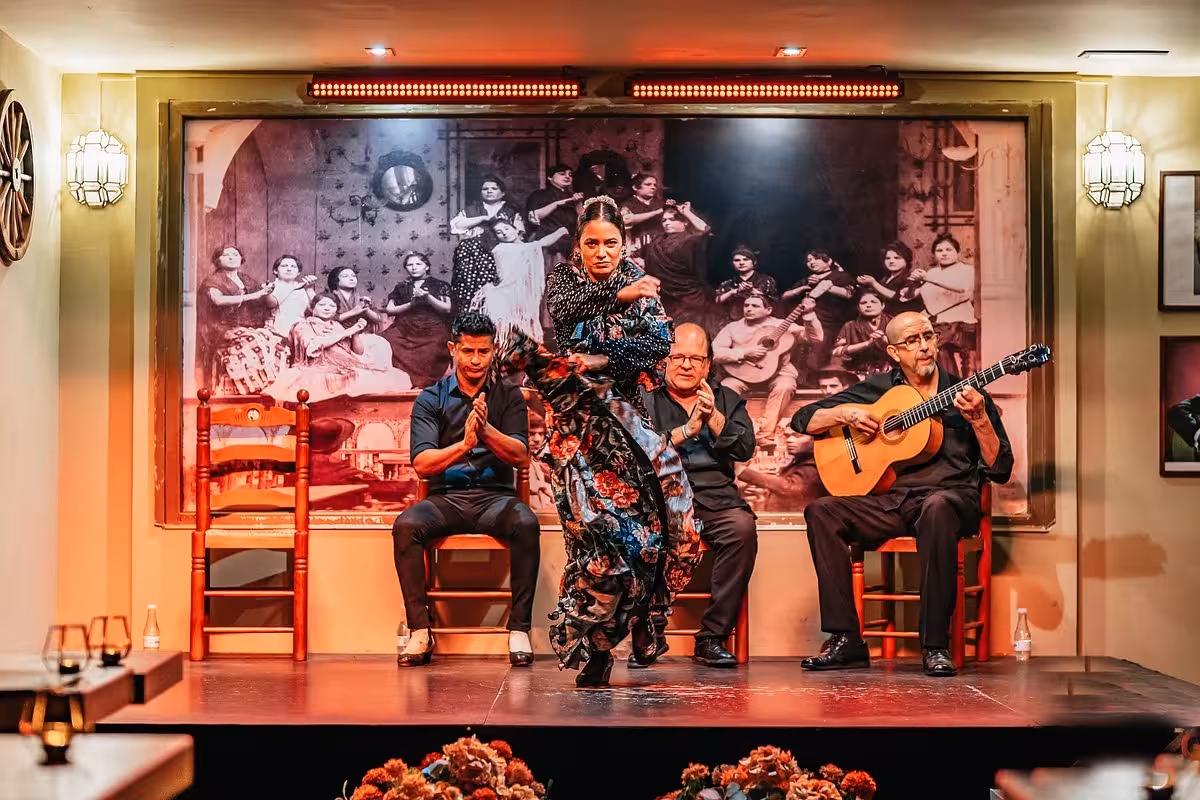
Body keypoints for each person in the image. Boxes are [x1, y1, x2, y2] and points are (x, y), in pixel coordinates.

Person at [498, 194, 702, 688]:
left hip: (631, 430)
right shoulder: (566, 281)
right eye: (592, 243)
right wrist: (617, 304)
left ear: (624, 243)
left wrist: (596, 358)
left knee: (663, 536)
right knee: (600, 544)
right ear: (579, 245)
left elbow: (656, 344)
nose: (603, 252)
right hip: (578, 432)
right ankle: (594, 650)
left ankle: (644, 625)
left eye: (611, 243)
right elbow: (566, 317)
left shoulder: (642, 283)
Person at [791, 311, 1012, 677]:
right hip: (894, 502)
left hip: (951, 498)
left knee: (938, 507)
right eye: (911, 341)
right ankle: (847, 639)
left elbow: (1001, 468)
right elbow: (804, 418)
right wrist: (845, 413)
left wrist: (980, 421)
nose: (923, 347)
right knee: (821, 511)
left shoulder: (968, 393)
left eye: (928, 336)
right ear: (894, 352)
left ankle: (935, 645)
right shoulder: (879, 389)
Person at [391, 312, 540, 669]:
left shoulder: (509, 397)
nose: (475, 360)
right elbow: (423, 464)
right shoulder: (431, 398)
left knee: (527, 524)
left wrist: (487, 431)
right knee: (406, 526)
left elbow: (521, 456)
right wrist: (464, 444)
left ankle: (519, 630)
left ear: (495, 351)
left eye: (483, 351)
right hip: (446, 500)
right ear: (452, 349)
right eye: (468, 351)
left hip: (496, 499)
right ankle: (420, 632)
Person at [640, 323, 757, 668]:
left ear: (708, 366)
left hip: (715, 497)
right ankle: (649, 631)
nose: (686, 365)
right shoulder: (646, 400)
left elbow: (746, 447)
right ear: (665, 361)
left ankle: (711, 637)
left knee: (741, 530)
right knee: (640, 532)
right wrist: (686, 431)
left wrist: (715, 419)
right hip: (661, 497)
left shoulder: (726, 399)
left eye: (695, 358)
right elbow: (635, 452)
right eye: (678, 357)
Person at [712, 293, 823, 447]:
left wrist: (809, 314)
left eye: (755, 306)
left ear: (768, 310)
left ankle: (764, 434)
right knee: (726, 389)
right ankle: (728, 433)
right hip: (743, 374)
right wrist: (744, 353)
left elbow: (815, 338)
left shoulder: (783, 325)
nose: (749, 309)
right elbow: (715, 353)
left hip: (777, 374)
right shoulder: (732, 328)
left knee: (785, 386)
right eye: (746, 305)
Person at [382, 252, 452, 388]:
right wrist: (411, 304)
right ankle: (404, 381)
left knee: (436, 344)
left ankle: (423, 383)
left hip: (432, 326)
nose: (414, 267)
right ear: (406, 268)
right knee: (387, 340)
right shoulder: (401, 286)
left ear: (427, 267)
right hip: (405, 326)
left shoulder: (439, 284)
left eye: (418, 264)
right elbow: (390, 310)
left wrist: (428, 298)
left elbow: (446, 309)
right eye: (410, 264)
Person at [714, 246, 779, 321]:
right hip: (733, 323)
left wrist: (754, 292)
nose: (741, 263)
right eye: (737, 260)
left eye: (746, 259)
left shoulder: (767, 281)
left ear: (754, 262)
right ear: (733, 263)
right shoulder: (728, 283)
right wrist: (733, 292)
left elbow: (775, 304)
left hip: (762, 322)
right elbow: (716, 303)